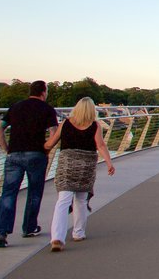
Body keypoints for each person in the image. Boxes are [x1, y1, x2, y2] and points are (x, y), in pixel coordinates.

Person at [43, 97, 115, 252]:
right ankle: (78, 233)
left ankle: (57, 238)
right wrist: (109, 162)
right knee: (81, 199)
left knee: (63, 200)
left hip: (67, 165)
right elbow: (100, 145)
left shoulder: (66, 123)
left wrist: (40, 148)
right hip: (86, 166)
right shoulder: (95, 125)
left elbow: (51, 143)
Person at [0, 80, 58, 248]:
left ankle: (2, 232)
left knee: (8, 193)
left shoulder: (16, 106)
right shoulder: (47, 109)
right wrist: (46, 150)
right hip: (36, 154)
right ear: (43, 92)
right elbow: (54, 133)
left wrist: (6, 148)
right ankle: (29, 227)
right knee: (34, 193)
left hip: (14, 154)